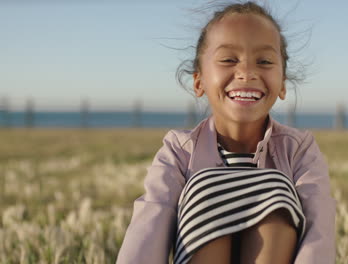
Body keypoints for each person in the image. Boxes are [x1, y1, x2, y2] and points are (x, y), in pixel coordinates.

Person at [117, 2, 336, 264]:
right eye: (229, 60)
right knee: (205, 189)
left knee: (276, 189)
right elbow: (151, 222)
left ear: (283, 85)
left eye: (264, 61)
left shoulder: (298, 149)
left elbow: (318, 229)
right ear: (199, 82)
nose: (247, 72)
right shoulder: (180, 148)